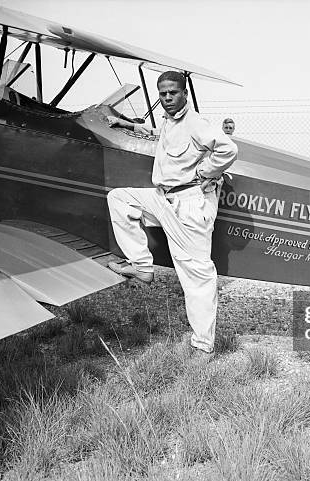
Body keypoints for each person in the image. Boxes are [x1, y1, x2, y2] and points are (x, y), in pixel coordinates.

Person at [106, 71, 238, 356]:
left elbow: (228, 149)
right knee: (119, 199)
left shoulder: (195, 122)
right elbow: (159, 135)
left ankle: (203, 346)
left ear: (184, 94)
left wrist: (205, 172)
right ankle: (142, 266)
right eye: (162, 93)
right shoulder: (169, 121)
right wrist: (127, 124)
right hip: (162, 199)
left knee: (197, 276)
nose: (167, 98)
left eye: (173, 93)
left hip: (189, 205)